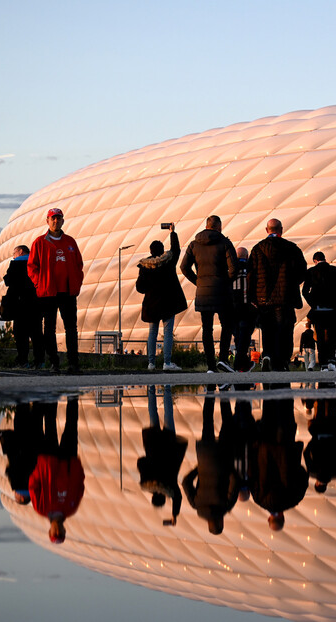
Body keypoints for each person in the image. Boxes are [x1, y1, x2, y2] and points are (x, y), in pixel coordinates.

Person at [29, 207, 85, 373]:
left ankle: (73, 363)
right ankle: (54, 362)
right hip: (48, 292)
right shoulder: (39, 242)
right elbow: (32, 267)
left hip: (67, 292)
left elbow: (78, 264)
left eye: (58, 218)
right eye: (52, 218)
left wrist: (77, 283)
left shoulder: (70, 242)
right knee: (49, 329)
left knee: (71, 328)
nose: (55, 221)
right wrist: (40, 284)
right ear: (47, 221)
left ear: (63, 221)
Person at [180, 215, 239, 372]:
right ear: (219, 226)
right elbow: (234, 269)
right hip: (222, 293)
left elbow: (184, 267)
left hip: (203, 293)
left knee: (207, 329)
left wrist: (198, 282)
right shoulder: (225, 243)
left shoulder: (194, 244)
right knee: (227, 325)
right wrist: (224, 283)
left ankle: (211, 367)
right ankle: (223, 360)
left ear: (206, 226)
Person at [247, 219, 307, 372]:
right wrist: (291, 284)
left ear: (266, 230)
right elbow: (302, 272)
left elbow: (250, 275)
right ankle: (282, 361)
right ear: (281, 229)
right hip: (285, 298)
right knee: (284, 329)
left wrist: (253, 297)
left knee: (267, 328)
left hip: (263, 299)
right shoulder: (292, 248)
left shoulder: (257, 249)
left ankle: (267, 356)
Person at [182, 395, 241, 534]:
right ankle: (209, 391)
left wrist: (229, 467)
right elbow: (185, 482)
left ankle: (223, 391)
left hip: (223, 455)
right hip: (205, 455)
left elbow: (235, 481)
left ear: (220, 523)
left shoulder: (225, 506)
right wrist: (199, 468)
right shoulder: (196, 505)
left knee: (227, 422)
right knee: (207, 421)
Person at [30, 398, 84, 543]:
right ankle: (73, 396)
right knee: (72, 425)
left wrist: (40, 469)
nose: (58, 531)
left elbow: (33, 486)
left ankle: (52, 396)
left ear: (50, 531)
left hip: (49, 461)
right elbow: (80, 489)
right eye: (60, 533)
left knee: (50, 425)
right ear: (65, 531)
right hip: (68, 461)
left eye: (55, 533)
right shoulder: (71, 509)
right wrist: (78, 470)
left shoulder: (41, 508)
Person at [249, 396, 308, 530]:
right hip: (265, 449)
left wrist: (295, 464)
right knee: (268, 411)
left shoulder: (293, 499)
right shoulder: (259, 499)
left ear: (283, 517)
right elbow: (252, 473)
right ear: (269, 518)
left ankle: (283, 382)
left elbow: (303, 477)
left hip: (286, 449)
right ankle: (268, 380)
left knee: (286, 411)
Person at [137, 225, 188, 371]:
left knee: (152, 333)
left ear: (150, 251)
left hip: (151, 305)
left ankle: (151, 363)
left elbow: (140, 288)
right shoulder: (168, 261)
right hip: (167, 303)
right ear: (161, 250)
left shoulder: (145, 266)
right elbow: (176, 249)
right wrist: (173, 232)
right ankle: (167, 363)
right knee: (167, 333)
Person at [137, 385, 187, 526]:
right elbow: (140, 462)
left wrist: (174, 515)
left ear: (165, 497)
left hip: (169, 443)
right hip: (153, 443)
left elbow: (178, 498)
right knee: (152, 414)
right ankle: (151, 387)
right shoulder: (146, 482)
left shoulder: (169, 486)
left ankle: (167, 387)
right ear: (152, 496)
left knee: (168, 415)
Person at [302, 251, 336, 372]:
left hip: (318, 311)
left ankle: (323, 364)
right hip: (333, 311)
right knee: (332, 337)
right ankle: (331, 362)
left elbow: (304, 291)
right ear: (325, 259)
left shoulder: (311, 272)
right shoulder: (334, 270)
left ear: (315, 261)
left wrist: (313, 304)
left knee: (320, 338)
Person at [0, 245, 42, 368]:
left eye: (14, 253)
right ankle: (39, 361)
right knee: (36, 333)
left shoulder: (16, 264)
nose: (13, 256)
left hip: (19, 304)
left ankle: (23, 361)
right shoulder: (36, 263)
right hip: (36, 303)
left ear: (21, 251)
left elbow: (9, 281)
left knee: (20, 334)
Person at [0, 402, 42, 506]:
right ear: (22, 498)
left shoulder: (37, 485)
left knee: (37, 417)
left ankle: (38, 397)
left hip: (35, 446)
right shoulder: (16, 485)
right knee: (21, 416)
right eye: (16, 497)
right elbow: (10, 469)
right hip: (19, 446)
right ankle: (22, 397)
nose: (15, 494)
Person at [229, 247, 256, 371]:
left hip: (233, 308)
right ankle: (240, 363)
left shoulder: (230, 269)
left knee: (238, 336)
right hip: (247, 307)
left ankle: (242, 364)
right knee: (245, 336)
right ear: (247, 256)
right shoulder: (251, 269)